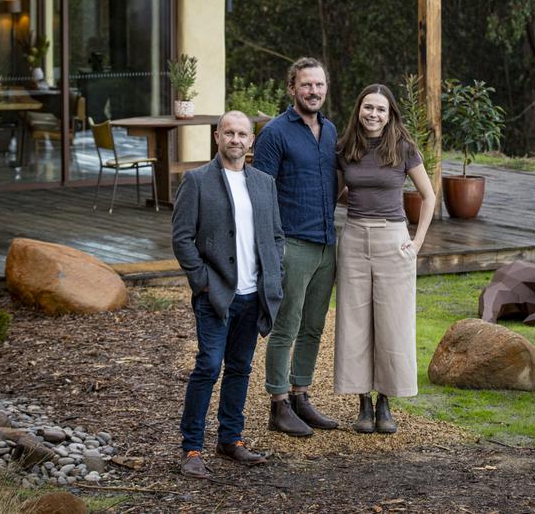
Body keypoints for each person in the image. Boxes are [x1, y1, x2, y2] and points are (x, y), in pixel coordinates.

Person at [172, 110, 285, 478]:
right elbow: (182, 238)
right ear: (217, 137)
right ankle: (191, 448)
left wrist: (275, 275)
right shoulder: (198, 181)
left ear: (251, 141)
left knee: (240, 367)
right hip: (217, 295)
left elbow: (276, 236)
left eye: (242, 134)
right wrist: (203, 280)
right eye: (229, 133)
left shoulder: (264, 183)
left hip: (254, 296)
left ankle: (231, 439)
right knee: (208, 366)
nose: (236, 140)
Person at [334, 84, 435, 433]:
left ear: (390, 114)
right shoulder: (345, 149)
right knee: (355, 322)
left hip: (393, 238)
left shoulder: (404, 148)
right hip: (354, 238)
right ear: (358, 110)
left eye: (380, 109)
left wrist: (417, 242)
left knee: (392, 322)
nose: (373, 114)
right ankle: (362, 401)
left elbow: (429, 196)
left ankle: (385, 403)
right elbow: (332, 195)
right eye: (368, 108)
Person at [252, 57, 339, 436]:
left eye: (319, 85)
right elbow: (261, 193)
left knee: (314, 326)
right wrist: (271, 248)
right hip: (292, 243)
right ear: (292, 89)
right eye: (306, 85)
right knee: (286, 326)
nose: (313, 91)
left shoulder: (331, 131)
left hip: (326, 243)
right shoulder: (275, 133)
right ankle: (278, 403)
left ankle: (301, 394)